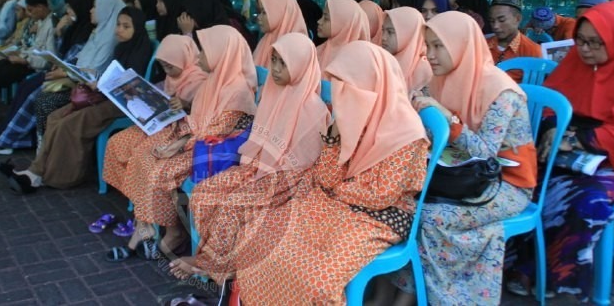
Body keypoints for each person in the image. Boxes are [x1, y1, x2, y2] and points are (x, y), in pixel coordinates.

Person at [236, 41, 429, 304]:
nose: (340, 95)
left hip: (380, 216)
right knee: (258, 235)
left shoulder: (407, 134)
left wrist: (337, 190)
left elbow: (380, 196)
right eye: (338, 86)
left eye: (346, 87)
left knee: (316, 279)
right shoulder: (351, 119)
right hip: (333, 204)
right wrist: (333, 139)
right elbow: (324, 178)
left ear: (372, 86)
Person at [388, 11, 536, 306]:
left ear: (461, 45)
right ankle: (409, 292)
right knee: (405, 203)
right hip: (459, 176)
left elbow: (484, 152)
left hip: (504, 184)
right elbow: (421, 109)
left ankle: (447, 298)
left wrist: (448, 120)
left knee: (429, 217)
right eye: (427, 46)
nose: (429, 55)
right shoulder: (442, 79)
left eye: (438, 46)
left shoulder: (501, 91)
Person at [168, 33, 330, 284]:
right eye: (273, 60)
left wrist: (261, 177)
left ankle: (215, 267)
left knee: (233, 207)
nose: (275, 69)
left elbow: (303, 164)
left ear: (300, 65)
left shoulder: (313, 110)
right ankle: (215, 261)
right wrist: (254, 170)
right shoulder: (274, 94)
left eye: (282, 63)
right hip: (257, 167)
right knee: (204, 192)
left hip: (288, 180)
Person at [104, 25, 257, 262]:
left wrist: (178, 144)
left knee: (158, 171)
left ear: (221, 54)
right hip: (195, 139)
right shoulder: (214, 81)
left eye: (203, 52)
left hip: (210, 150)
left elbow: (216, 133)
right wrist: (177, 140)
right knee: (143, 156)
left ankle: (174, 233)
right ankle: (145, 227)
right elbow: (197, 121)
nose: (197, 57)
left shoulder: (238, 91)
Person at [508, 0, 614, 300]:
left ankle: (561, 280)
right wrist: (551, 130)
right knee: (522, 179)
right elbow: (551, 105)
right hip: (571, 155)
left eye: (596, 43)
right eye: (581, 41)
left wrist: (579, 139)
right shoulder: (576, 63)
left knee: (583, 202)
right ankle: (524, 265)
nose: (585, 50)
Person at [5, 6, 153, 193]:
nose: (119, 30)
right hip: (105, 97)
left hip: (123, 104)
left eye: (126, 26)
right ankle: (37, 170)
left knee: (71, 123)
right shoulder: (121, 47)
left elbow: (132, 87)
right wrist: (96, 79)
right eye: (118, 25)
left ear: (137, 29)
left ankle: (60, 178)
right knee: (55, 117)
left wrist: (102, 84)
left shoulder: (142, 49)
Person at [102, 34, 207, 235]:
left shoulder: (199, 79)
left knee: (143, 156)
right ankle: (137, 203)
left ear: (184, 58)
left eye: (170, 66)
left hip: (182, 130)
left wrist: (185, 105)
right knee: (117, 142)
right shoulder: (173, 77)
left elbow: (203, 114)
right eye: (164, 66)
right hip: (162, 125)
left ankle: (147, 221)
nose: (167, 71)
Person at [0, 0, 104, 155]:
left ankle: (7, 139)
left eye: (71, 9)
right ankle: (4, 136)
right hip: (61, 71)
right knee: (25, 86)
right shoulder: (74, 27)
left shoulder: (88, 31)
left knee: (34, 94)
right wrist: (59, 33)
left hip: (71, 77)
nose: (68, 13)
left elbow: (80, 61)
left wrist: (63, 68)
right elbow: (60, 54)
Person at [486, 0, 542, 83]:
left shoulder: (533, 51)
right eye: (492, 21)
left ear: (518, 19)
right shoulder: (482, 45)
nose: (495, 26)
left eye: (501, 20)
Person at [381, 7, 433, 92]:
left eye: (390, 32)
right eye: (382, 30)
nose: (383, 37)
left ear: (409, 34)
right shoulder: (382, 61)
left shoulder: (426, 70)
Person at [252, 0, 306, 67]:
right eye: (260, 12)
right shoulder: (266, 39)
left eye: (264, 12)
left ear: (279, 13)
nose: (259, 17)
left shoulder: (298, 47)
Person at [316, 0, 370, 70]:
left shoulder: (357, 59)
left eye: (326, 18)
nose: (319, 21)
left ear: (343, 23)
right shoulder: (319, 51)